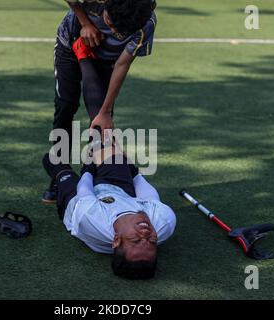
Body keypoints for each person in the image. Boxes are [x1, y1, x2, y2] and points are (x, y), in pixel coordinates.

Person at [43, 0, 157, 203]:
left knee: (100, 119)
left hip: (107, 59)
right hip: (71, 43)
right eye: (109, 22)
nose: (111, 30)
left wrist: (105, 110)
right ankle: (59, 174)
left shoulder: (145, 22)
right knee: (65, 106)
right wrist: (85, 22)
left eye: (118, 30)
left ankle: (95, 177)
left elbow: (122, 64)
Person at [42, 134, 176, 279]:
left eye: (136, 240)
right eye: (152, 242)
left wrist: (89, 167)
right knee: (103, 140)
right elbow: (150, 197)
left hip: (75, 202)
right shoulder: (165, 222)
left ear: (116, 240)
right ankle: (100, 127)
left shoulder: (90, 219)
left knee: (54, 162)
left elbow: (84, 191)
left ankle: (59, 177)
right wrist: (133, 171)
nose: (146, 234)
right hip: (121, 193)